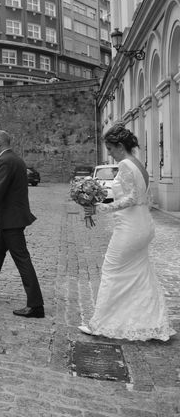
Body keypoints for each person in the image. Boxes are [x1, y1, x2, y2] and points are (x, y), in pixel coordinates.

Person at [79, 123, 175, 341]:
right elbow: (142, 198)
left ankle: (101, 323)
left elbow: (131, 198)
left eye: (111, 149)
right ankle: (151, 322)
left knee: (111, 271)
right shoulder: (138, 164)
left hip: (130, 228)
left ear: (120, 146)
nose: (110, 154)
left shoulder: (124, 164)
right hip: (144, 224)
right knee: (140, 275)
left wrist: (99, 208)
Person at [0, 130, 45, 318]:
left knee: (22, 259)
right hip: (10, 218)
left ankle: (36, 305)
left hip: (10, 219)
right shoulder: (16, 159)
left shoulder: (4, 161)